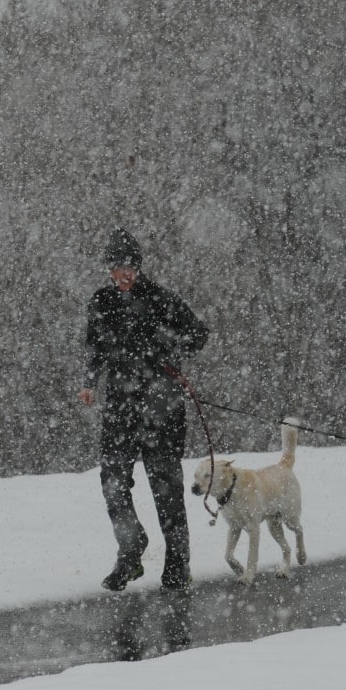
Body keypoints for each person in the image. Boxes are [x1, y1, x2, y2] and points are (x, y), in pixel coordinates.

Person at [79, 228, 209, 592]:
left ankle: (178, 561)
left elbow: (198, 335)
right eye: (117, 267)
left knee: (165, 487)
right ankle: (130, 548)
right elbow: (95, 347)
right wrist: (90, 381)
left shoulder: (162, 300)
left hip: (162, 406)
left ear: (139, 267)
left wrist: (168, 349)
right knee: (113, 481)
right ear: (108, 269)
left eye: (130, 267)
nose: (124, 275)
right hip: (121, 406)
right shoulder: (100, 302)